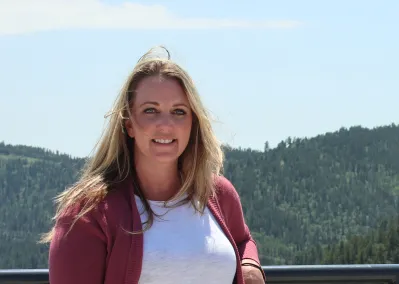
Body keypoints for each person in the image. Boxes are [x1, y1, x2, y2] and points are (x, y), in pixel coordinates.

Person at [41, 46, 266, 284]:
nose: (165, 125)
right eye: (150, 110)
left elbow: (242, 240)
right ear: (128, 124)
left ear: (193, 123)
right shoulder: (88, 212)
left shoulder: (217, 194)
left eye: (179, 112)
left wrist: (250, 266)